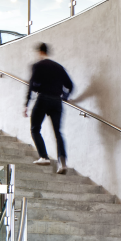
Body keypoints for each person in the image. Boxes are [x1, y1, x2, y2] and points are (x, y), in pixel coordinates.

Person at [24, 43, 73, 175]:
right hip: (57, 101)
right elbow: (70, 85)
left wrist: (26, 104)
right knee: (58, 132)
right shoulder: (59, 67)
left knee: (35, 128)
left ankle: (44, 157)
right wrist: (65, 97)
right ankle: (62, 160)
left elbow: (32, 85)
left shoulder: (37, 66)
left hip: (43, 98)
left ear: (40, 52)